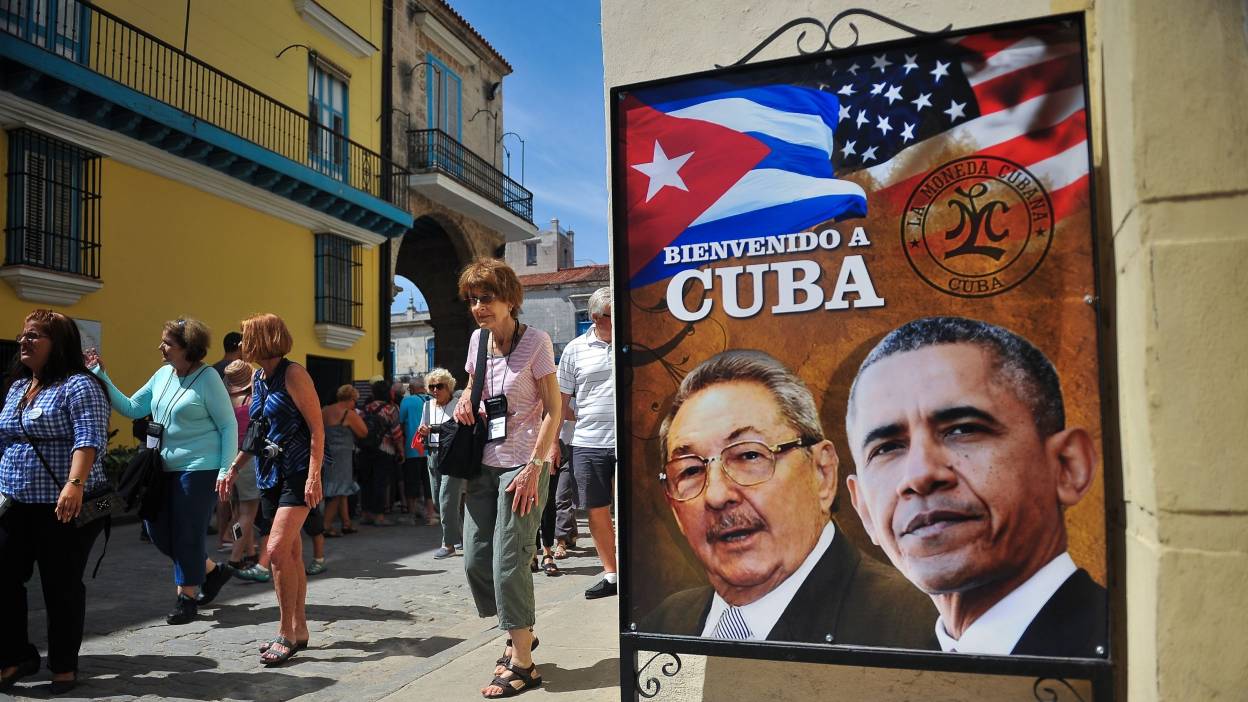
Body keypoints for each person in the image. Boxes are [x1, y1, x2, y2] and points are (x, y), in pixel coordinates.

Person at [844, 316, 1106, 658]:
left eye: (962, 429)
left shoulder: (1134, 657)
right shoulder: (884, 671)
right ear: (863, 509)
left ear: (1068, 466)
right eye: (887, 448)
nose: (920, 475)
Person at [641, 350, 936, 647]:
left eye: (749, 455)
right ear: (675, 509)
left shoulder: (921, 629)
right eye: (690, 470)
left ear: (822, 473)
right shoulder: (666, 624)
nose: (716, 495)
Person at [453, 258, 561, 698]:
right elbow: (473, 386)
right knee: (476, 561)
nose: (479, 307)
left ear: (510, 300)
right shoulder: (477, 342)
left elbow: (554, 410)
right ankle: (522, 631)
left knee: (509, 562)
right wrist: (464, 400)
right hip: (482, 461)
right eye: (473, 300)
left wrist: (536, 467)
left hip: (523, 466)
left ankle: (523, 662)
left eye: (487, 298)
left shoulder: (536, 342)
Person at [89, 318, 237, 626]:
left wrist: (225, 470)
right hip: (162, 467)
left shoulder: (208, 378)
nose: (161, 347)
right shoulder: (162, 375)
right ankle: (212, 570)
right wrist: (102, 376)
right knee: (156, 529)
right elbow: (131, 407)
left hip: (199, 468)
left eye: (168, 343)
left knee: (187, 532)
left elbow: (228, 425)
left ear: (188, 348)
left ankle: (187, 597)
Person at [0, 310, 110, 694]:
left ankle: (63, 666)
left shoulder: (80, 385)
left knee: (60, 586)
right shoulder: (19, 387)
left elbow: (89, 436)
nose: (23, 342)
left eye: (34, 337)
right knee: (4, 577)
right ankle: (15, 656)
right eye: (23, 336)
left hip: (62, 505)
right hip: (15, 503)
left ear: (58, 344)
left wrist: (74, 484)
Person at [216, 313, 325, 666]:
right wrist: (233, 468)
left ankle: (285, 632)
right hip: (269, 475)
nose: (241, 346)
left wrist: (313, 476)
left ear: (262, 339)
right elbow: (256, 433)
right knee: (290, 555)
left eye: (247, 338)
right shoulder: (260, 377)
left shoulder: (294, 374)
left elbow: (316, 429)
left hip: (296, 473)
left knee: (275, 551)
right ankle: (301, 628)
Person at [558, 287, 618, 599]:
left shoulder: (630, 341)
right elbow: (560, 399)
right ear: (595, 317)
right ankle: (611, 575)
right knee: (596, 509)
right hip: (588, 442)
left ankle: (636, 571)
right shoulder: (574, 350)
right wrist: (555, 442)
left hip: (628, 440)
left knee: (634, 511)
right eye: (612, 314)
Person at [417, 368, 464, 559]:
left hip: (452, 455)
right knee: (438, 499)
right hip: (433, 454)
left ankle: (449, 543)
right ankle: (459, 535)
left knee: (446, 498)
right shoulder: (427, 406)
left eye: (440, 386)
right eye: (432, 386)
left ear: (449, 387)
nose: (435, 390)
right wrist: (423, 430)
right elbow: (422, 428)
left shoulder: (458, 404)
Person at [222, 360, 261, 571]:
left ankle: (251, 553)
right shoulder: (252, 400)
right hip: (247, 458)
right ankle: (235, 559)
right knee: (247, 512)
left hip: (227, 458)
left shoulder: (224, 401)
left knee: (239, 512)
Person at [321, 384, 366, 537]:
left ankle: (346, 523)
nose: (355, 404)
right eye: (355, 401)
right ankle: (325, 526)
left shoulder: (325, 411)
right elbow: (363, 432)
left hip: (326, 454)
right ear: (350, 399)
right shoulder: (349, 413)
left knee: (341, 489)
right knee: (338, 491)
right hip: (343, 457)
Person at [360, 380, 402, 527]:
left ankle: (366, 514)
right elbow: (396, 432)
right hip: (385, 449)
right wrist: (401, 451)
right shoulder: (391, 409)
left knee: (366, 481)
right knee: (380, 482)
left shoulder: (366, 408)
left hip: (365, 449)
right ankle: (379, 516)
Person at [399, 376, 435, 525]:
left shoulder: (407, 401)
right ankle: (431, 515)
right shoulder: (433, 400)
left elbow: (400, 423)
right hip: (431, 448)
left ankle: (411, 515)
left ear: (412, 388)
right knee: (429, 483)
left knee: (412, 482)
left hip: (412, 448)